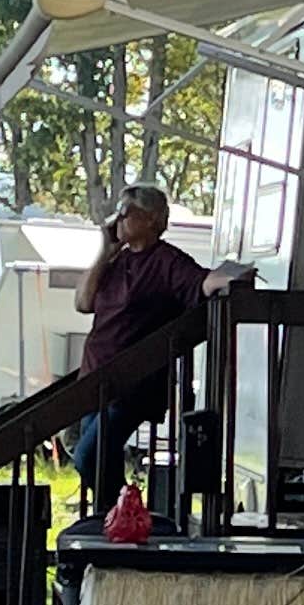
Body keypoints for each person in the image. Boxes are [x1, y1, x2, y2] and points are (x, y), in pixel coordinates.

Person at [68, 187, 237, 499]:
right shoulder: (116, 261)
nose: (117, 218)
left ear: (149, 219)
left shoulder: (166, 261)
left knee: (88, 457)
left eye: (125, 212)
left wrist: (232, 279)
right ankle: (116, 523)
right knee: (102, 459)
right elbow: (83, 302)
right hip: (96, 377)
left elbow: (201, 282)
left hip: (132, 383)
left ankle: (124, 516)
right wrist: (104, 250)